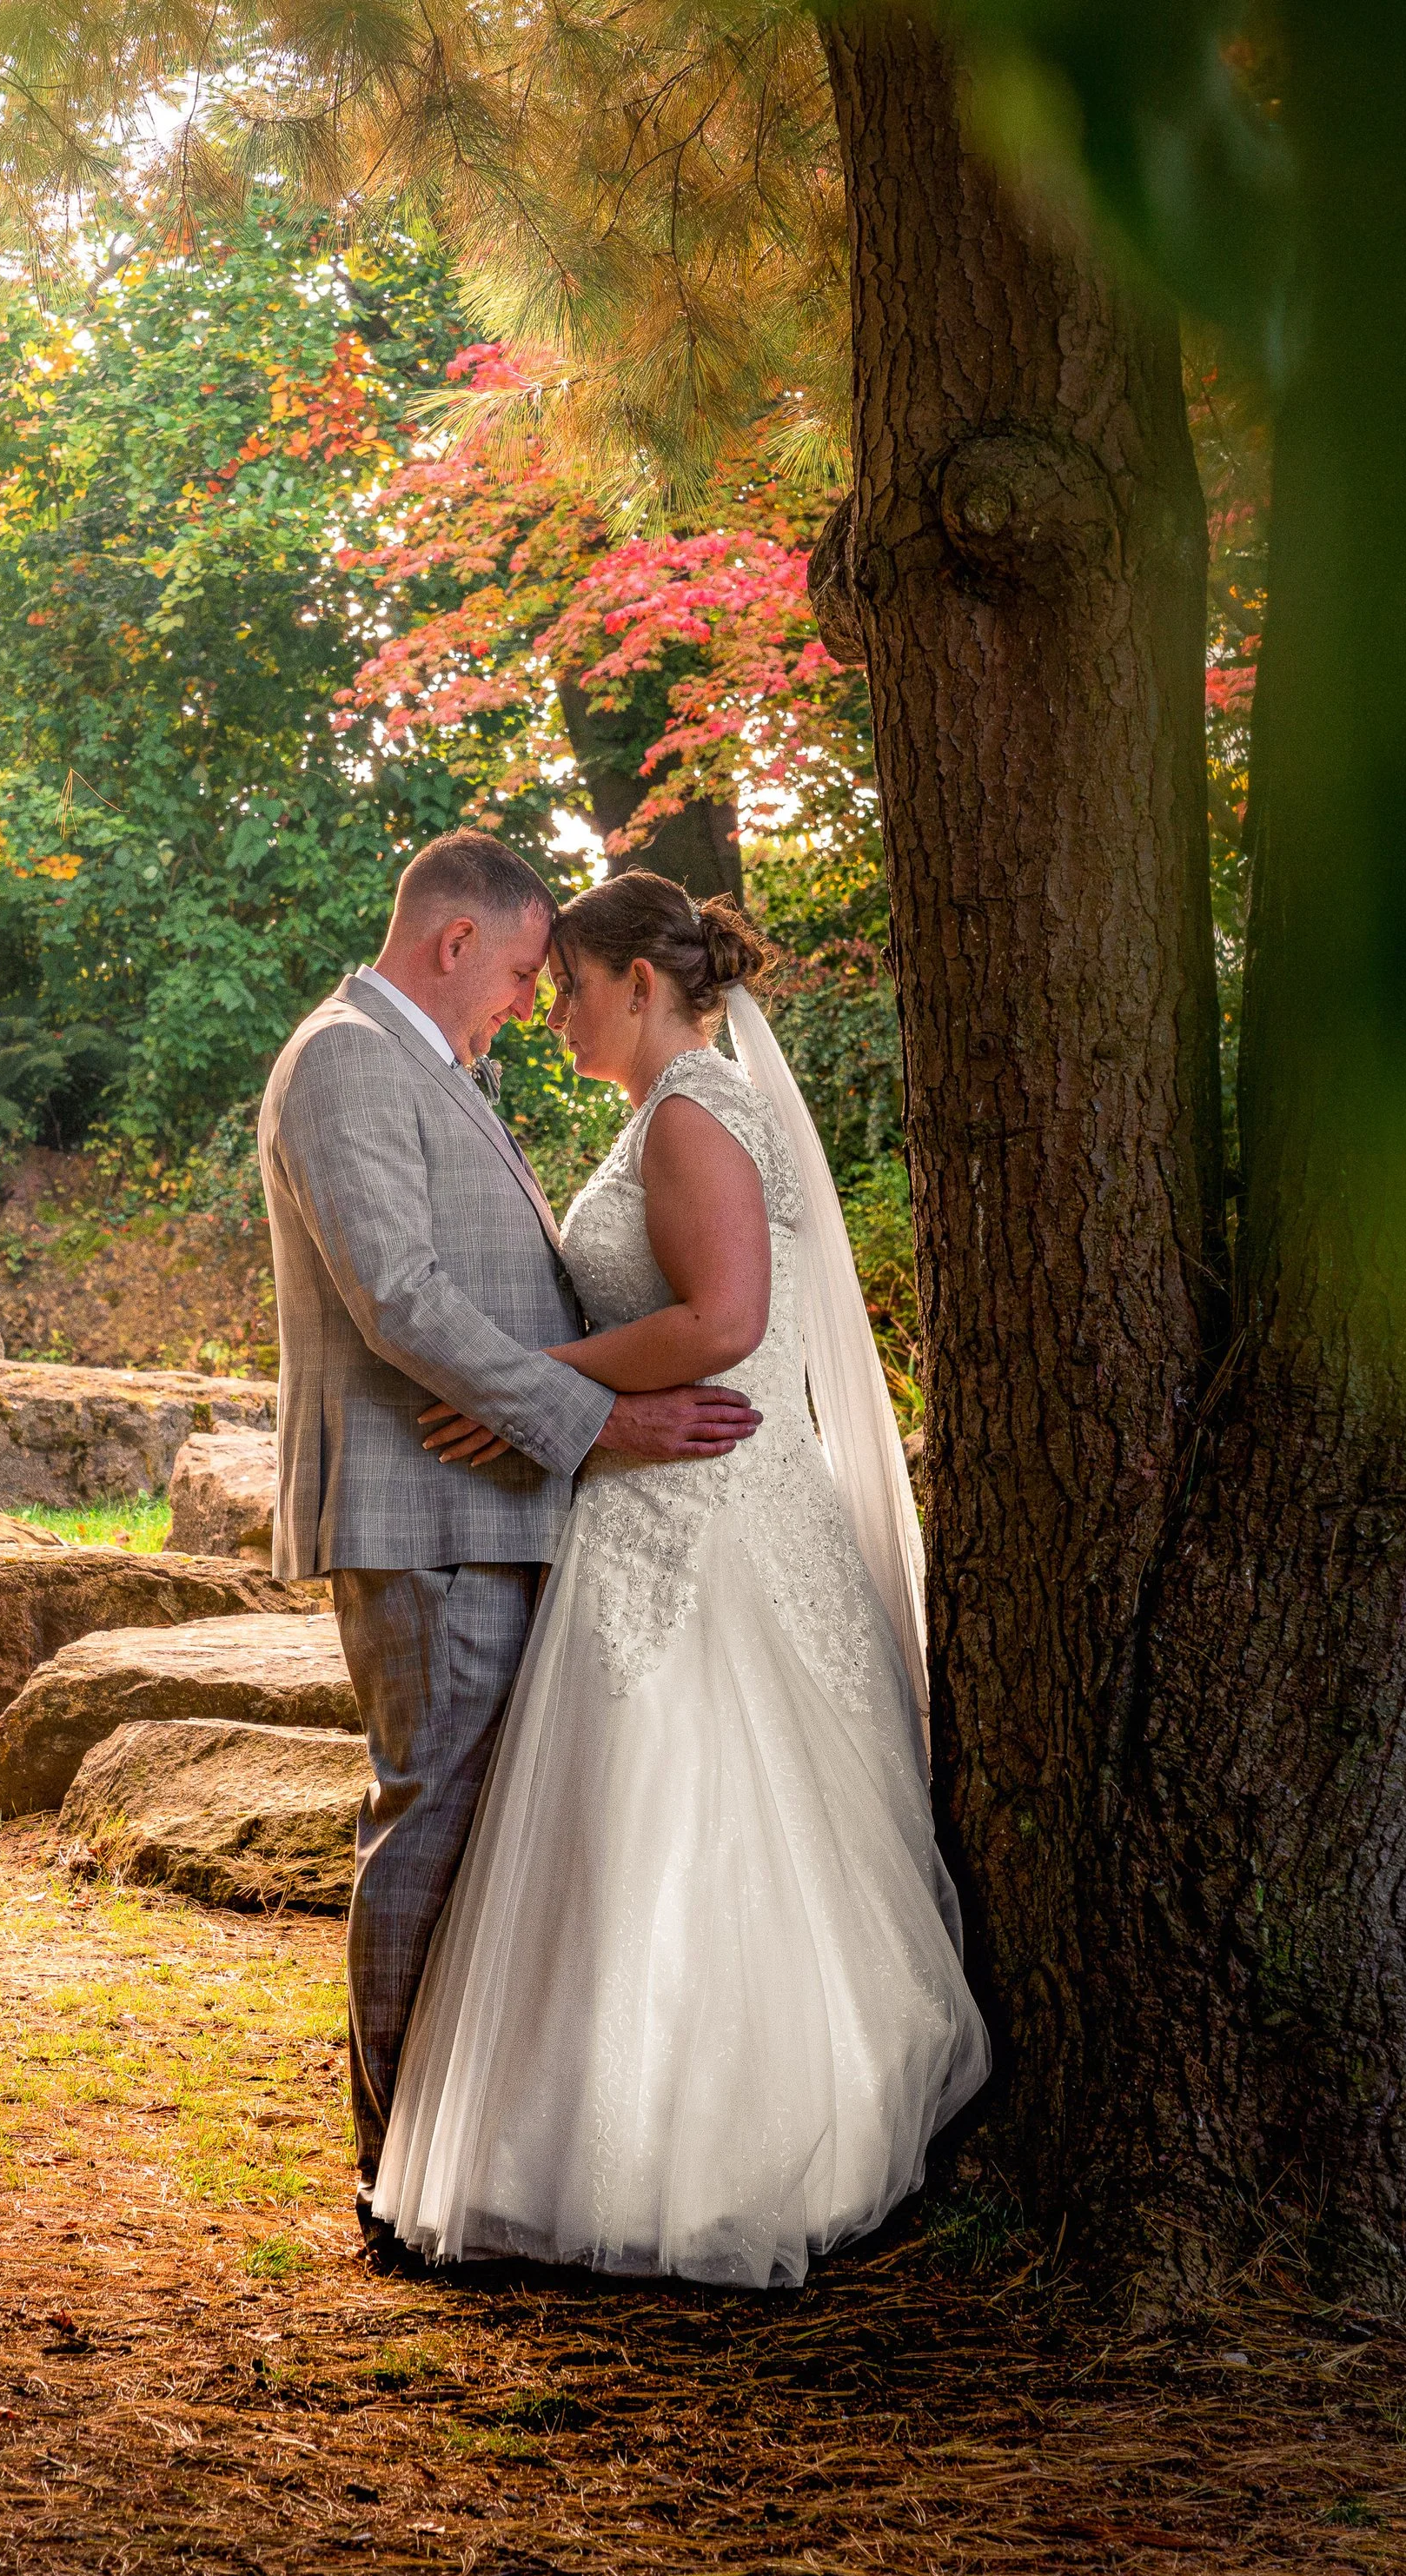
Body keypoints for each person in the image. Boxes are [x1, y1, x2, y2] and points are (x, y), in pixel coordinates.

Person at [370, 871, 989, 2288]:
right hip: (664, 1491)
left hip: (704, 1507)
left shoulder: (697, 1111)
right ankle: (612, 2134)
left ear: (639, 984)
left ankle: (710, 2150)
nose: (556, 1013)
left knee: (698, 1800)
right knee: (643, 1815)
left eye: (571, 988)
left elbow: (722, 1322)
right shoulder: (675, 1112)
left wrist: (530, 1385)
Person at [255, 831, 761, 2257]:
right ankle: (397, 2185)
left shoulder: (415, 1062)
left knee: (484, 1835)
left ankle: (461, 2158)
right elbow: (399, 1298)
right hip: (433, 1510)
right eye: (525, 971)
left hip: (486, 1508)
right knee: (436, 1826)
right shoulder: (349, 1057)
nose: (530, 1007)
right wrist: (592, 1418)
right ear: (456, 941)